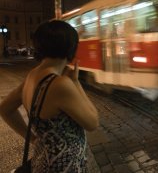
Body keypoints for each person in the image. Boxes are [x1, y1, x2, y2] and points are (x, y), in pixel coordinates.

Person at [0, 20, 99, 172]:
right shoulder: (59, 84)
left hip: (43, 162)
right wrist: (75, 82)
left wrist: (34, 139)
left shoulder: (32, 76)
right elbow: (93, 122)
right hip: (64, 166)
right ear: (70, 48)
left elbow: (5, 109)